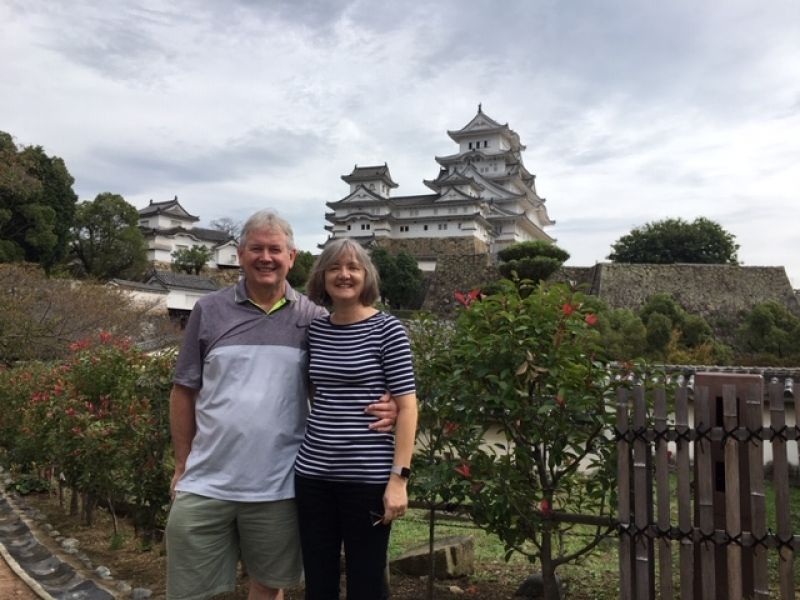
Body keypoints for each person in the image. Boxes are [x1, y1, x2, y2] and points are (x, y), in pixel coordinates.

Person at [165, 210, 396, 600]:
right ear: (240, 254)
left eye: (276, 249)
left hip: (279, 484)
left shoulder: (316, 319)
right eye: (256, 248)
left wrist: (387, 406)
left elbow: (338, 383)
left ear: (292, 256)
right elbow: (184, 390)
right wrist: (181, 464)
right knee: (190, 590)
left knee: (268, 587)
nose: (265, 257)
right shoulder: (209, 310)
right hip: (206, 481)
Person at [294, 238, 419, 600]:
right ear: (322, 277)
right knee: (318, 582)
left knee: (366, 583)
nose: (344, 275)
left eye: (353, 268)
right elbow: (318, 393)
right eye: (334, 267)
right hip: (313, 474)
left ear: (367, 277)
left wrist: (399, 480)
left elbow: (408, 406)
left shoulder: (388, 330)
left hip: (367, 478)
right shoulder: (315, 332)